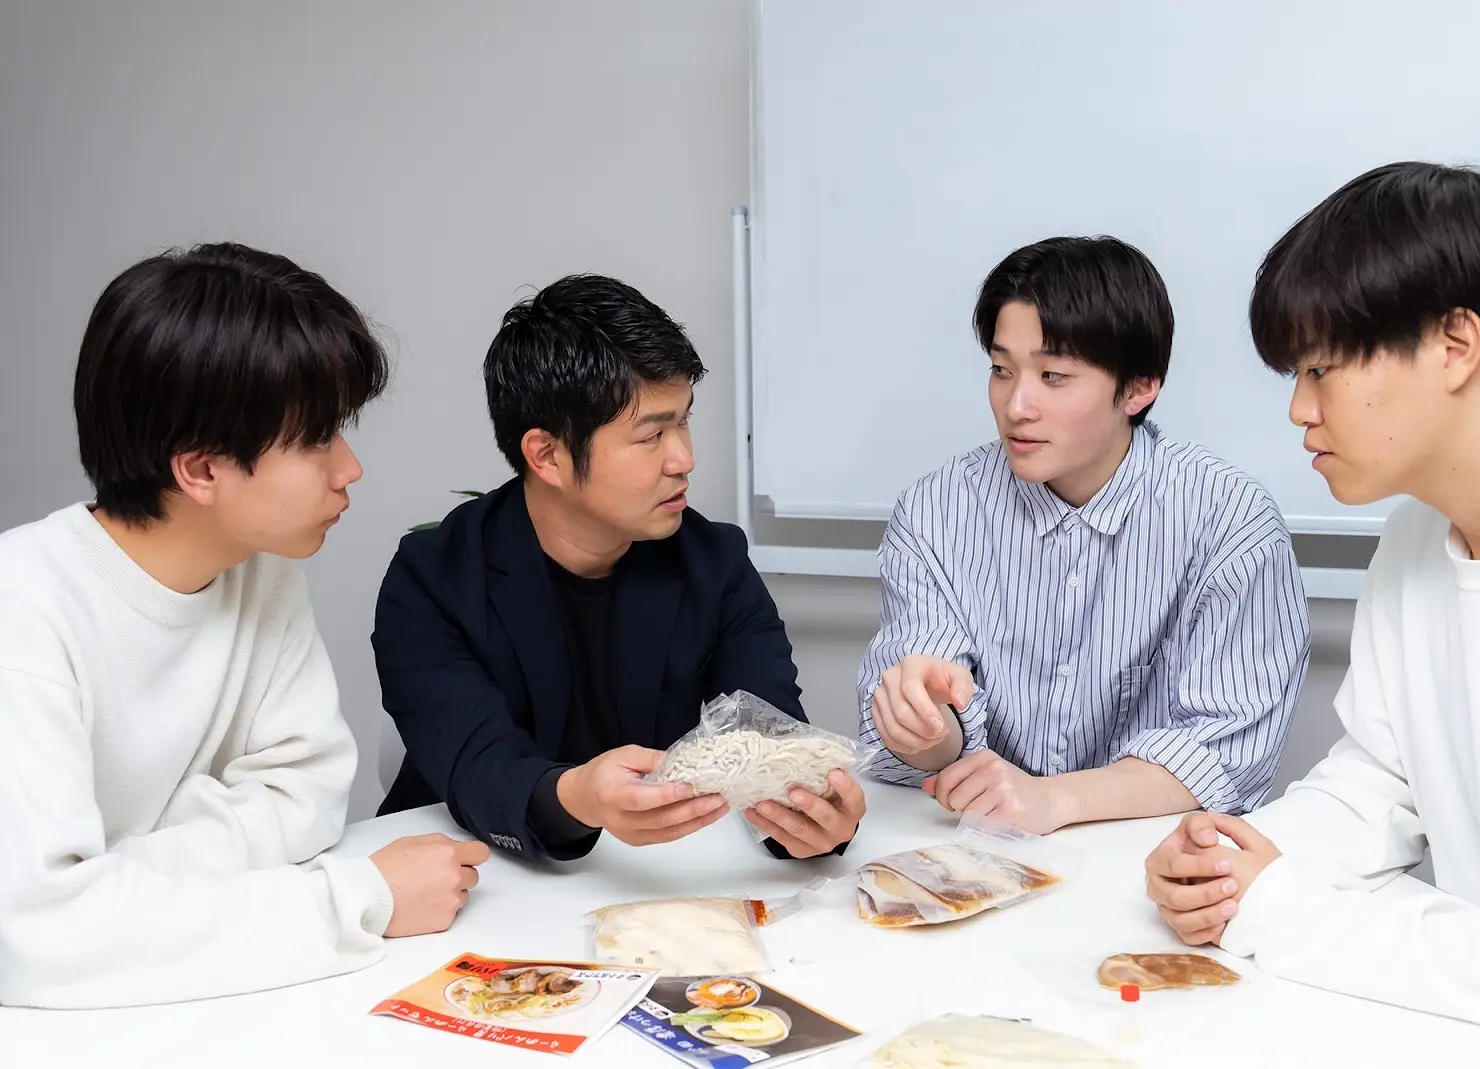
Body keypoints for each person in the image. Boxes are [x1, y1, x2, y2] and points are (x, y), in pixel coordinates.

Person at [1143, 162, 1480, 1039]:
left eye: (1320, 367)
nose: (1299, 408)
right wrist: (1226, 862)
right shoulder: (1416, 539)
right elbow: (1378, 785)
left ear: (1455, 344)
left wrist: (1281, 911)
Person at [0, 243, 487, 1010]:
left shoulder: (258, 569)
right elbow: (36, 938)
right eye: (318, 437)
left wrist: (121, 877)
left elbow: (309, 792)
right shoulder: (22, 610)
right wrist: (360, 898)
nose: (349, 467)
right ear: (200, 469)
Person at [374, 274, 863, 862]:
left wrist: (810, 820)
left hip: (662, 877)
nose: (684, 459)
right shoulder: (434, 579)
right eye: (651, 435)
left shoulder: (714, 564)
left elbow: (771, 741)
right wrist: (578, 796)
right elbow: (478, 766)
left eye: (683, 421)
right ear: (548, 455)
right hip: (471, 875)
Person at [858, 236, 1311, 833]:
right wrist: (922, 722)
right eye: (1001, 370)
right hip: (977, 848)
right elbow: (929, 749)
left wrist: (1055, 801)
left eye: (1054, 375)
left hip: (1151, 856)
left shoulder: (1230, 520)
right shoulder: (936, 510)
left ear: (1140, 387)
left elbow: (1228, 751)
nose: (1016, 406)